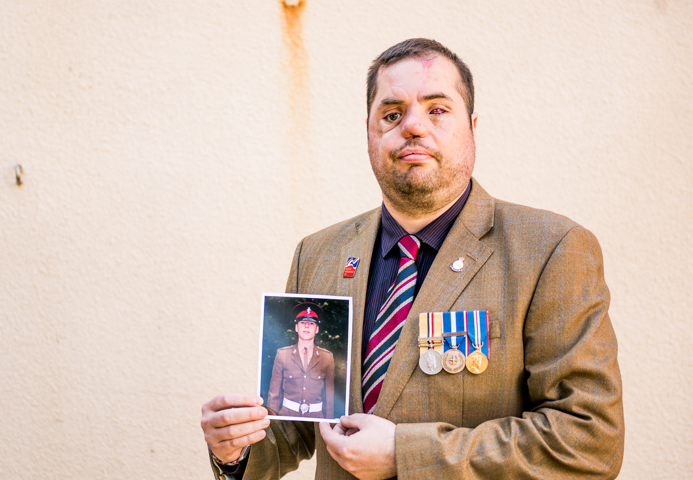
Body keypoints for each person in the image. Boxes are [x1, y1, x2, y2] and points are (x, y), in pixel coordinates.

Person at [201, 38, 623, 479]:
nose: (413, 127)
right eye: (391, 114)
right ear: (369, 133)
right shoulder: (318, 254)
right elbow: (299, 426)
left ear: (473, 127)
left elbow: (589, 439)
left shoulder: (551, 249)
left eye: (437, 109)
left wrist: (407, 452)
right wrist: (236, 448)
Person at [267, 303, 335, 419]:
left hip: (316, 418)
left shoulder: (327, 357)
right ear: (296, 327)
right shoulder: (283, 355)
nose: (307, 326)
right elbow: (274, 394)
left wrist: (329, 423)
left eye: (311, 323)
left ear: (317, 329)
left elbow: (329, 397)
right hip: (287, 417)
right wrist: (272, 422)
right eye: (303, 323)